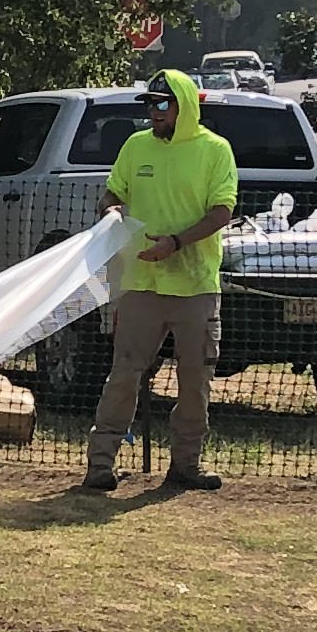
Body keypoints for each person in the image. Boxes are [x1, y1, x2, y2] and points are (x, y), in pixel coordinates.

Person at [79, 67, 241, 495]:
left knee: (195, 381)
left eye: (162, 104)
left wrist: (176, 243)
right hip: (140, 283)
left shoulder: (215, 151)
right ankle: (100, 465)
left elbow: (221, 211)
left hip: (196, 287)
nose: (153, 113)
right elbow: (113, 193)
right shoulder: (135, 147)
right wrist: (111, 211)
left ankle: (185, 465)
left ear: (184, 106)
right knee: (124, 374)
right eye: (149, 105)